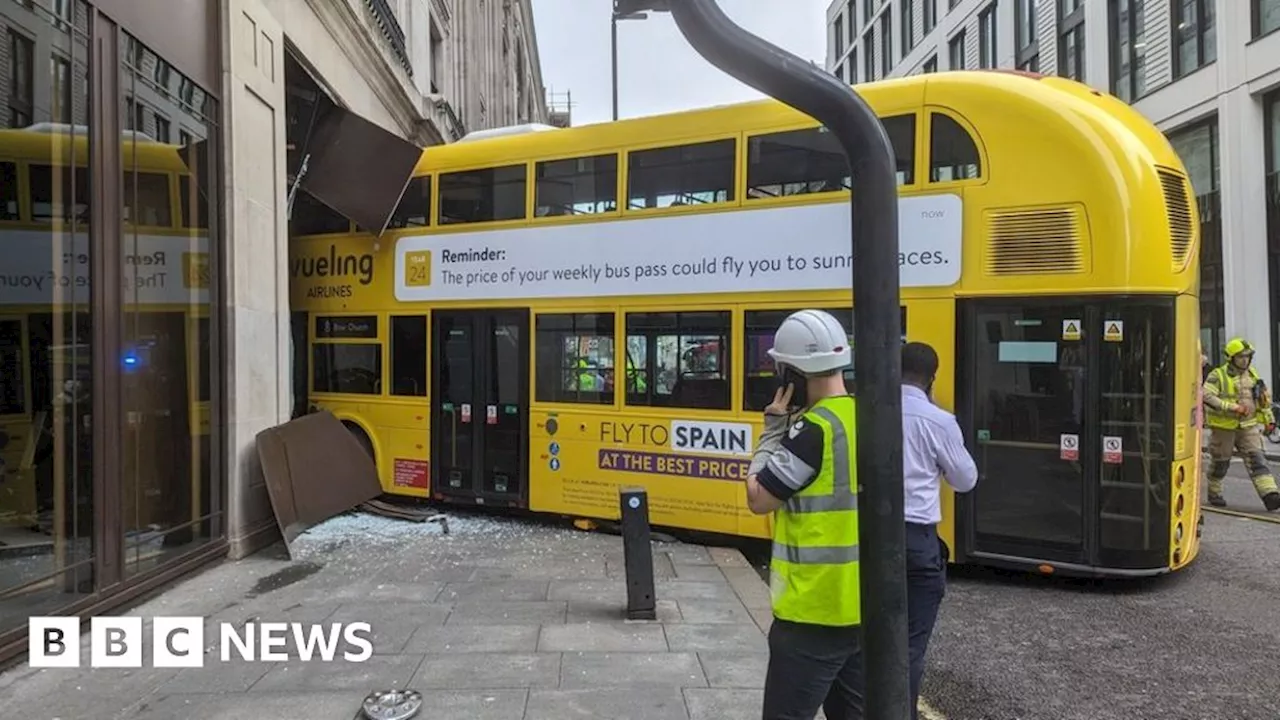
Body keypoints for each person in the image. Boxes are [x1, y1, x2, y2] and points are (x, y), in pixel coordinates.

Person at [742, 309, 861, 720]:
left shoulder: (813, 430)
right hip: (864, 607)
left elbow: (759, 497)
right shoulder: (868, 418)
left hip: (811, 612)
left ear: (793, 374)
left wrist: (772, 431)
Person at [898, 341, 978, 719]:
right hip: (916, 540)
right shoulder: (938, 421)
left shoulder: (863, 412)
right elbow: (965, 480)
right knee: (910, 645)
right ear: (932, 378)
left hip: (864, 537)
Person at [1202, 337, 1280, 511]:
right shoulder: (1218, 375)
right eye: (1240, 357)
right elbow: (1206, 395)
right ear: (1231, 358)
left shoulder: (1253, 375)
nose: (1245, 360)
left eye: (1247, 356)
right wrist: (1232, 407)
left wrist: (1270, 421)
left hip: (1248, 426)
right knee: (1221, 462)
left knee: (1257, 459)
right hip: (1224, 428)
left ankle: (1270, 495)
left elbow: (1262, 401)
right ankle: (1214, 492)